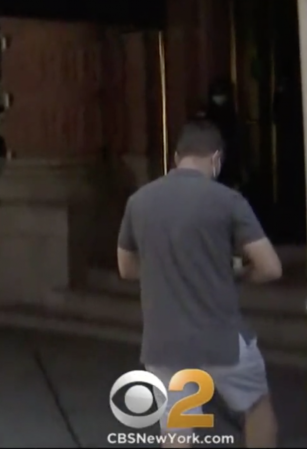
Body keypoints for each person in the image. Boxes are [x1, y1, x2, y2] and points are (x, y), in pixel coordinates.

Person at [117, 119, 282, 449]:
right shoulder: (228, 200)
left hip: (163, 341)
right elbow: (271, 268)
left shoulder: (139, 201)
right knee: (256, 407)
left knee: (177, 427)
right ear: (216, 158)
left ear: (177, 157)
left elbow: (126, 268)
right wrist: (236, 274)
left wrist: (164, 270)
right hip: (221, 337)